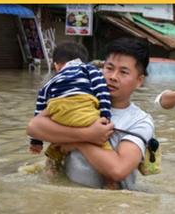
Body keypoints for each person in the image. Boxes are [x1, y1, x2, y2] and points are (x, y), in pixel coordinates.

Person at [26, 37, 154, 189]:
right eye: (109, 68)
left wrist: (77, 141)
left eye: (123, 72)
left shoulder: (140, 121)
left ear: (139, 80)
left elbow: (118, 170)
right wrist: (87, 134)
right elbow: (34, 127)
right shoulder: (79, 99)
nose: (113, 77)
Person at [28, 42, 112, 172]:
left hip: (59, 115)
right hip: (84, 113)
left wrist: (36, 142)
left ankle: (52, 168)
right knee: (105, 147)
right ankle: (110, 182)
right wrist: (105, 116)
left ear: (56, 65)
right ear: (85, 61)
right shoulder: (89, 69)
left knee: (56, 141)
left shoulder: (50, 82)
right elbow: (101, 91)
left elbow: (39, 108)